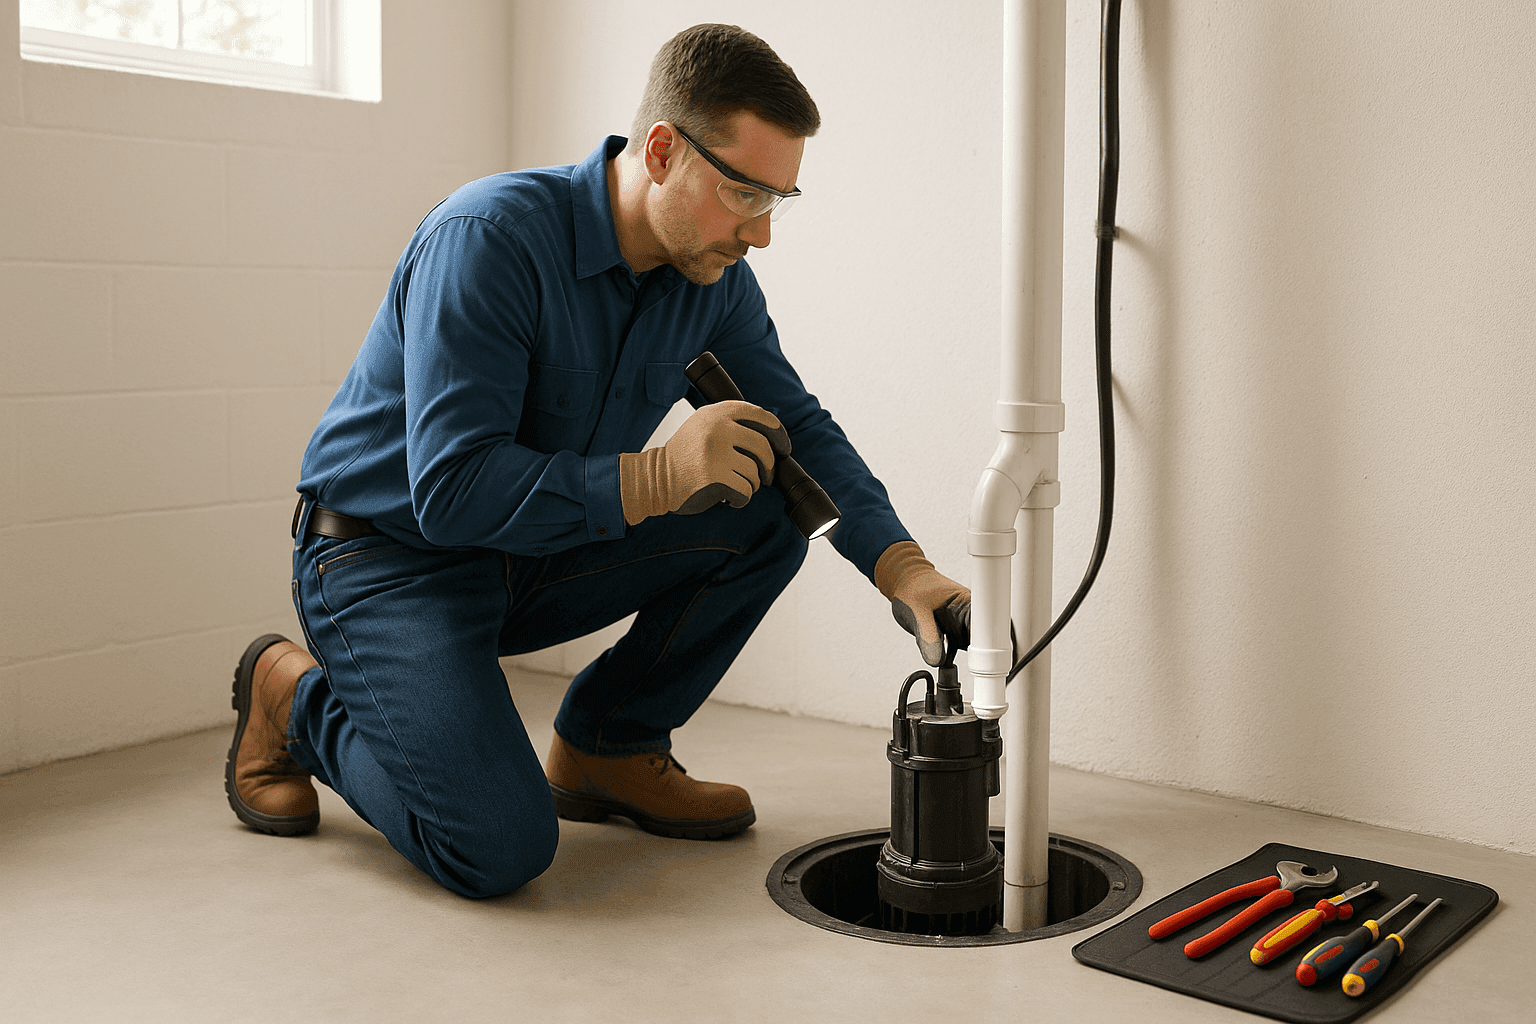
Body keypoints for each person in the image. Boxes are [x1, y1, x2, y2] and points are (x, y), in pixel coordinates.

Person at [225, 23, 969, 899]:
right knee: (497, 848)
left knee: (769, 499)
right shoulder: (489, 238)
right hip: (386, 561)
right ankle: (294, 701)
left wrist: (903, 568)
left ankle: (610, 745)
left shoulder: (711, 280)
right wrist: (660, 477)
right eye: (743, 192)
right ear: (662, 151)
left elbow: (794, 427)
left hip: (529, 554)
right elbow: (452, 494)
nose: (762, 233)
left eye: (778, 199)